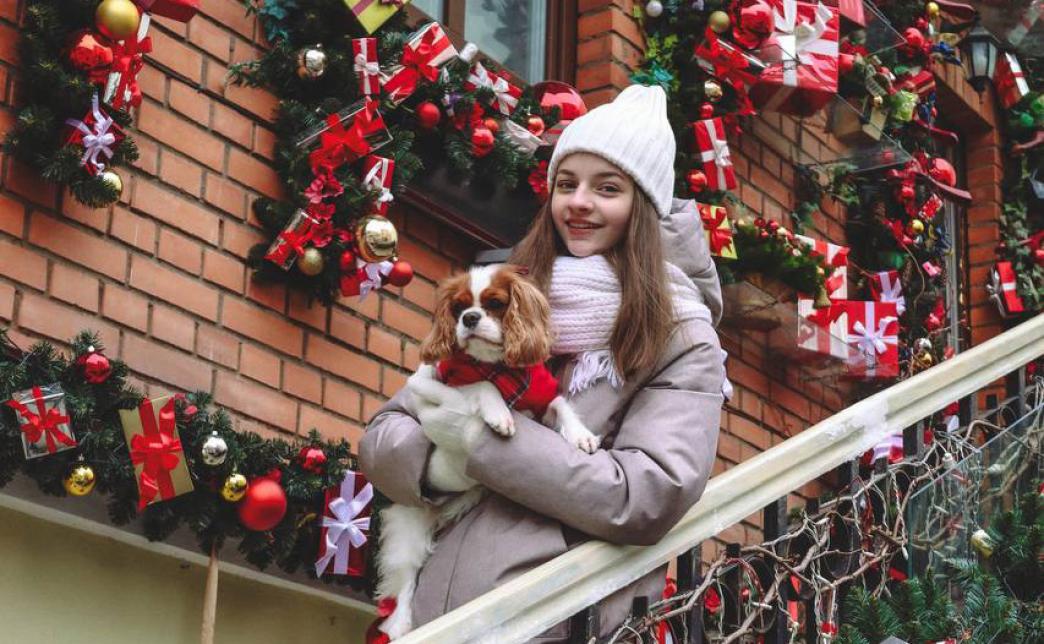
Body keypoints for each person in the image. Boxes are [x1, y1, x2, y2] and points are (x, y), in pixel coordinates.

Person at [359, 84, 725, 641]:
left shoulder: (680, 334)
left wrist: (481, 445)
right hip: (436, 617)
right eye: (566, 184)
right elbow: (383, 436)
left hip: (555, 619)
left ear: (644, 207)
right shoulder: (505, 297)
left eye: (607, 188)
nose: (579, 202)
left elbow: (647, 494)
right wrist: (440, 467)